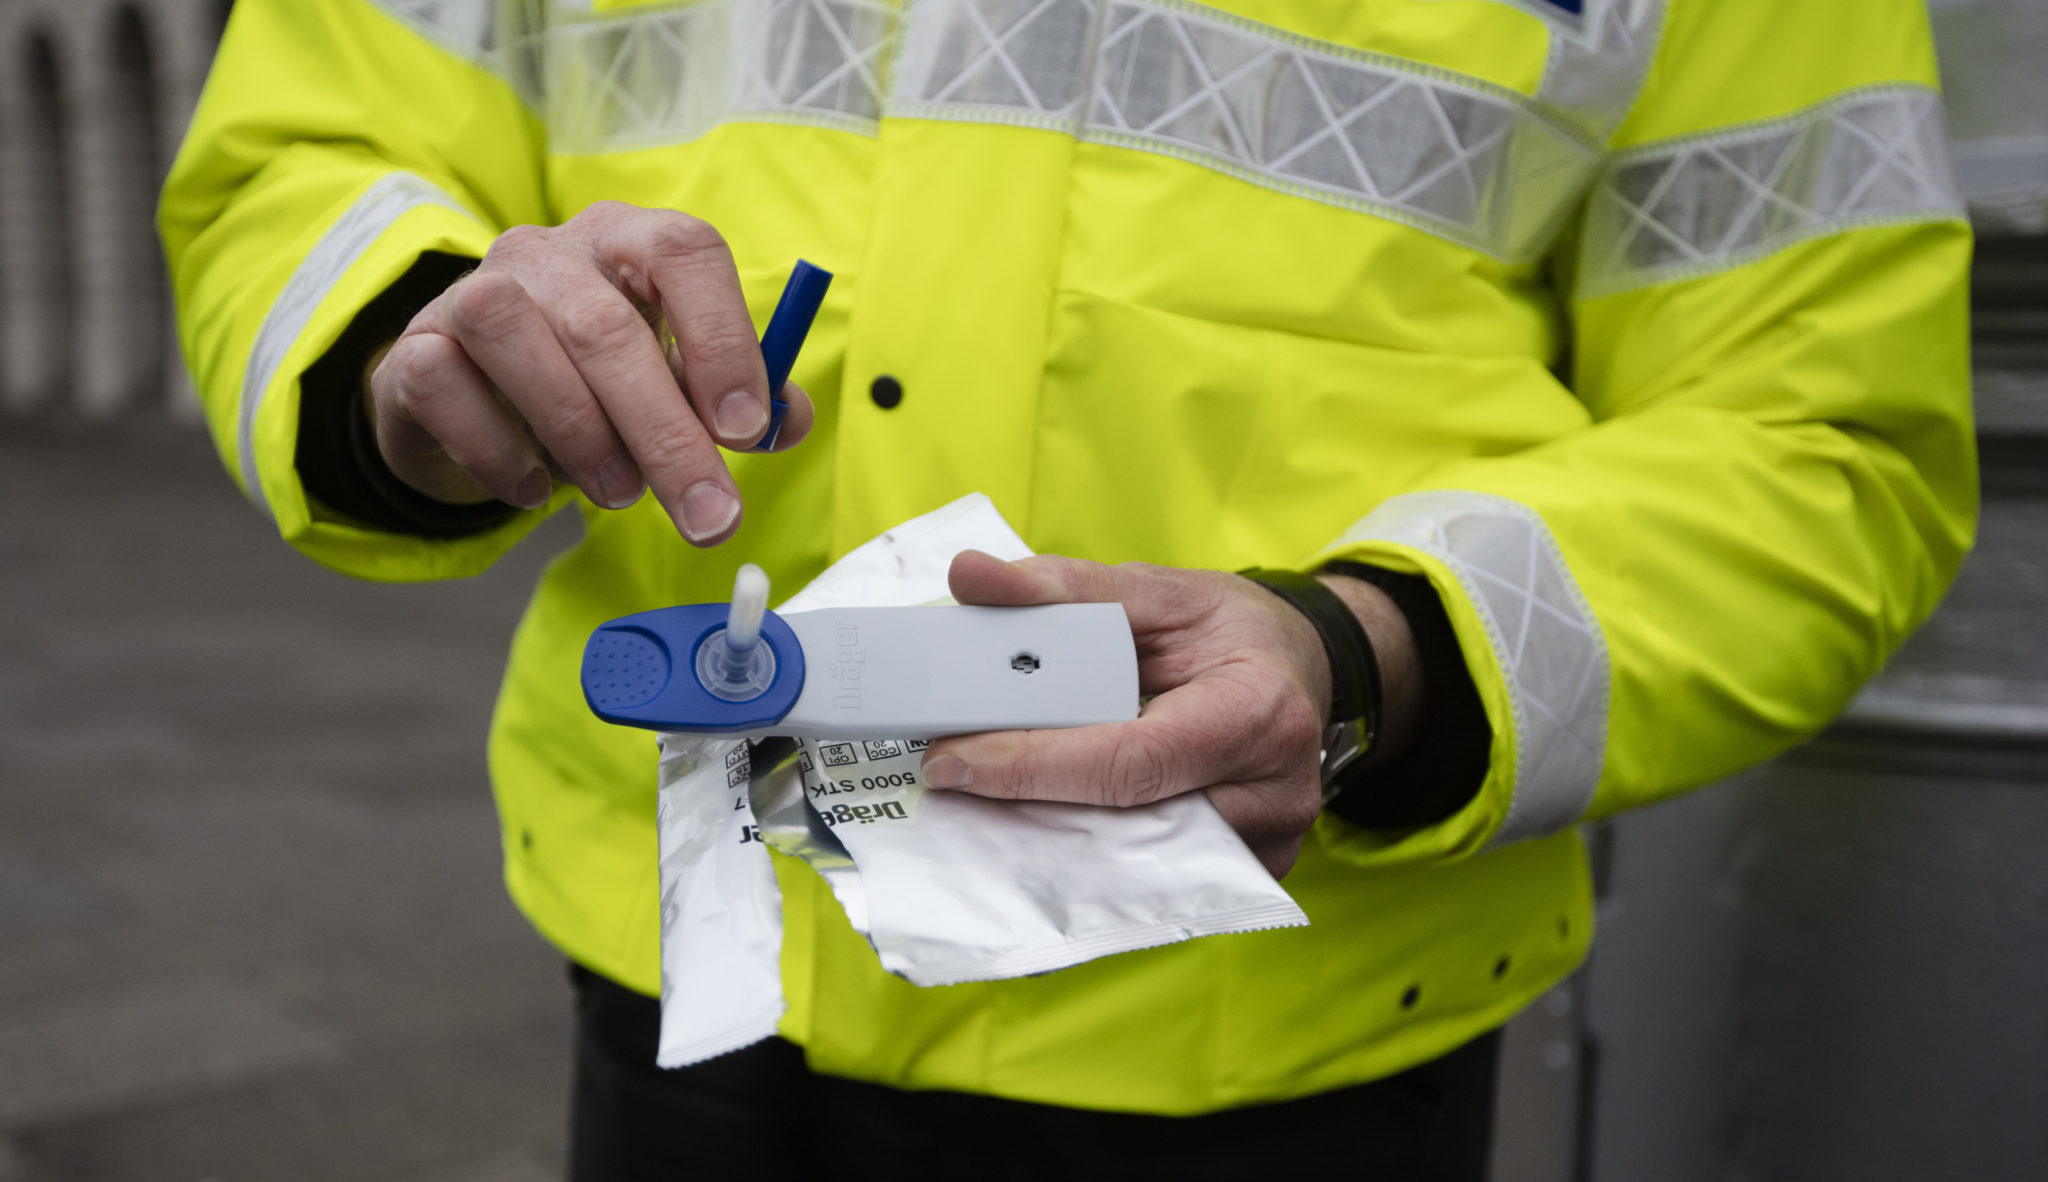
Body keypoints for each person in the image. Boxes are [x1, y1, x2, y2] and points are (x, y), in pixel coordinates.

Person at [160, 0, 1975, 1177]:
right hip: (700, 969)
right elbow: (301, 154)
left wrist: (1377, 649)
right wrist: (417, 351)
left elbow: (1821, 433)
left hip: (1280, 1031)